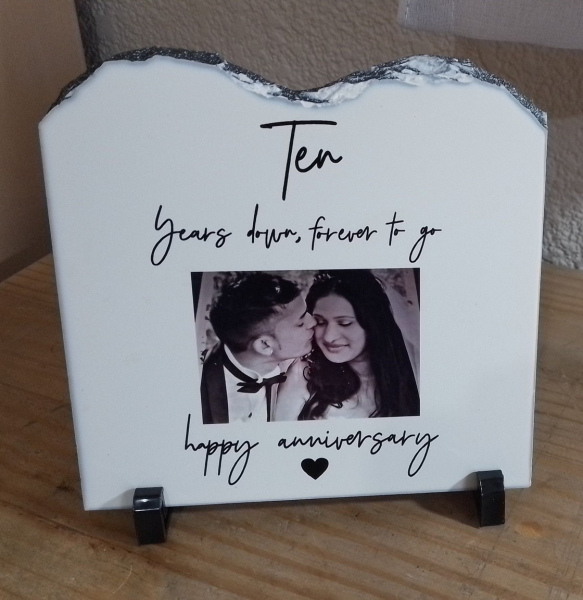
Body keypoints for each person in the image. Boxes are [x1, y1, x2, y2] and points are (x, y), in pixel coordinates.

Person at [274, 270, 420, 420]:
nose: (329, 337)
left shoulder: (411, 373)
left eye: (344, 323)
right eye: (320, 322)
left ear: (372, 324)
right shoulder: (302, 374)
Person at [200, 272, 316, 424]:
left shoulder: (298, 363)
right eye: (300, 323)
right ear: (265, 345)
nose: (313, 322)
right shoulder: (200, 393)